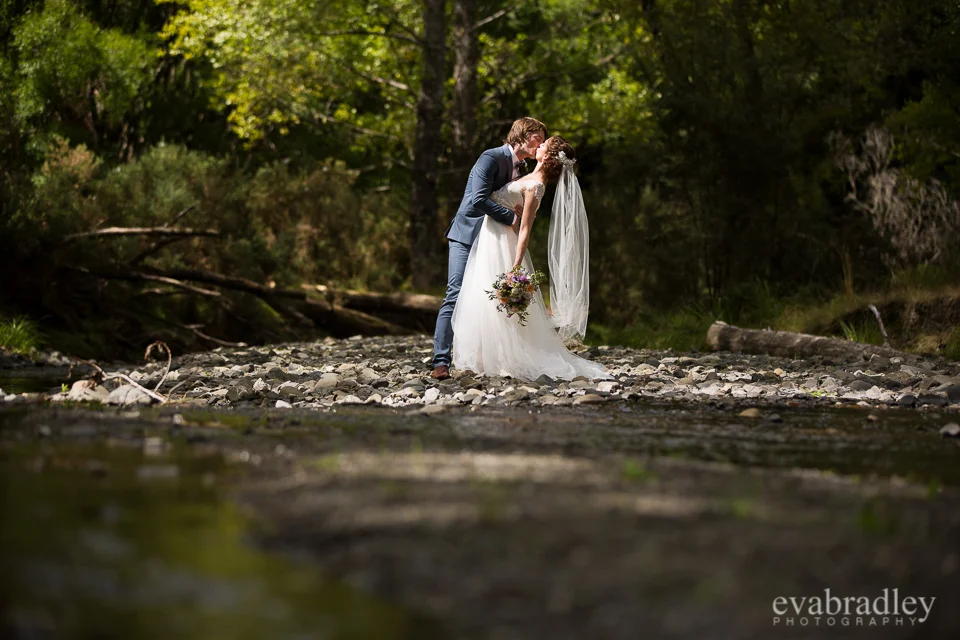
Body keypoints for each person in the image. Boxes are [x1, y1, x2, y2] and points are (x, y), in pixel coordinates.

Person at [450, 136, 610, 381]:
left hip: (503, 244)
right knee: (480, 297)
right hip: (490, 238)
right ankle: (483, 355)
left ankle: (502, 356)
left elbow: (525, 229)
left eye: (543, 145)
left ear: (547, 156)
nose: (539, 146)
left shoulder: (536, 186)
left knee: (494, 300)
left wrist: (515, 265)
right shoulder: (525, 177)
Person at [430, 117, 547, 380]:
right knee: (456, 292)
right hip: (468, 234)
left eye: (542, 139)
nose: (539, 143)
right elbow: (477, 198)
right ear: (521, 135)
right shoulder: (490, 157)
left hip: (494, 239)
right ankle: (440, 361)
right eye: (537, 137)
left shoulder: (524, 167)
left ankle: (485, 357)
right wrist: (511, 217)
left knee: (487, 296)